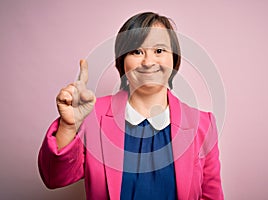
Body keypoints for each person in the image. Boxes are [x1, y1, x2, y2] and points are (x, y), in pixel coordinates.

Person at [38, 12, 224, 200]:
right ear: (122, 62)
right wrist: (68, 126)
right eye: (136, 51)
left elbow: (211, 195)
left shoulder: (202, 124)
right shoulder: (92, 116)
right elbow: (54, 178)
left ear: (174, 60)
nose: (148, 62)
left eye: (159, 51)